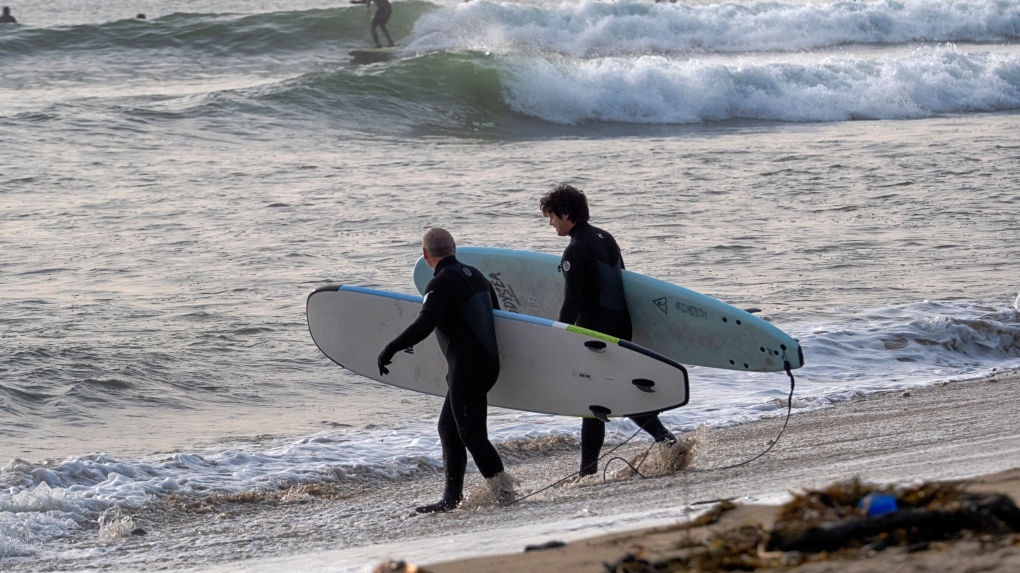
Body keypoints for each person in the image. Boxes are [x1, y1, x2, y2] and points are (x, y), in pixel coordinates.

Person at [540, 184, 677, 477]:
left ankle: (588, 472)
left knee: (595, 401)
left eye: (551, 216)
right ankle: (665, 441)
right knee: (608, 393)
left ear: (566, 214)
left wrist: (558, 338)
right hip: (618, 325)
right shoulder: (606, 238)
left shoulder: (575, 249)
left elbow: (571, 304)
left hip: (595, 332)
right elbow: (624, 285)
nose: (550, 223)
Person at [377, 228, 512, 513]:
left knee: (472, 435)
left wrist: (391, 348)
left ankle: (505, 494)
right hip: (486, 364)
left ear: (425, 254)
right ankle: (452, 498)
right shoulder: (476, 275)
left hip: (466, 369)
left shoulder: (439, 284)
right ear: (454, 248)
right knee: (449, 430)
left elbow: (424, 324)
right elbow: (500, 319)